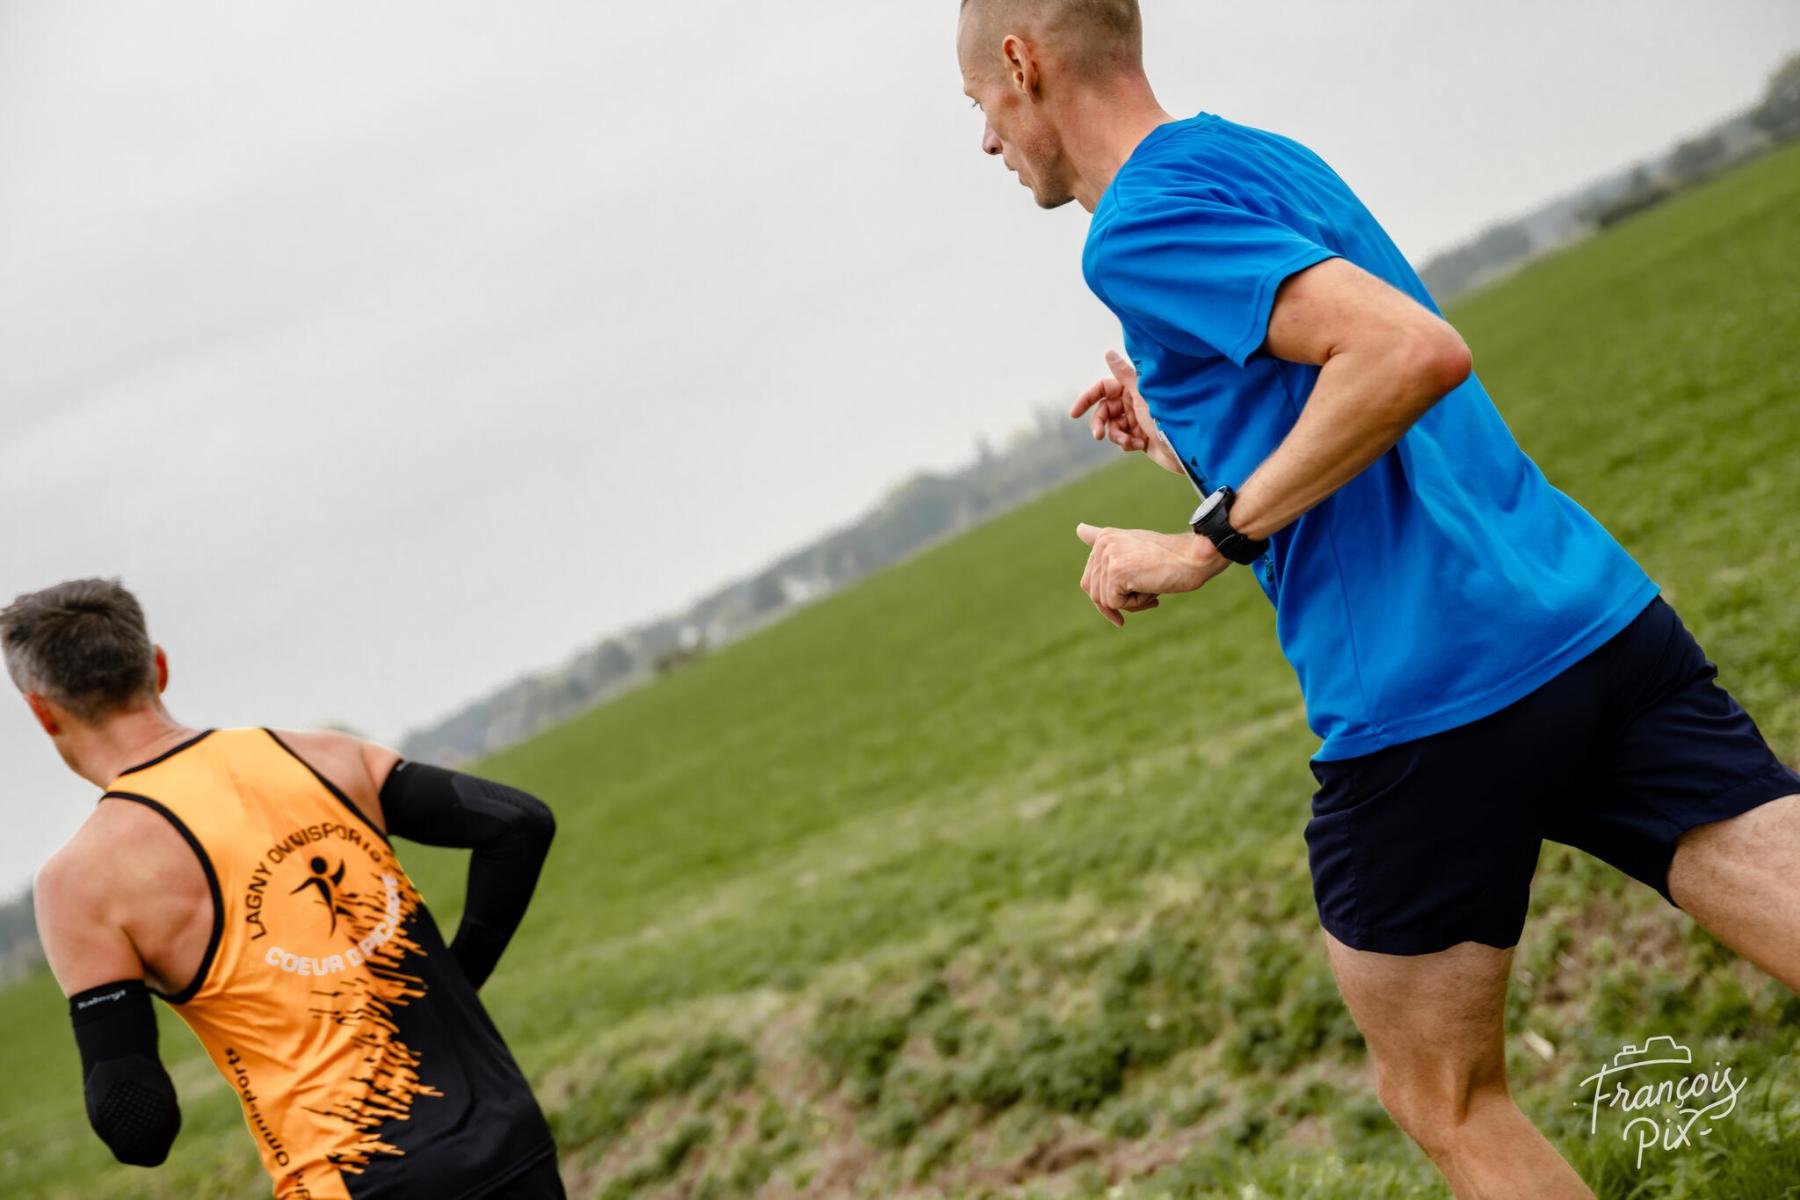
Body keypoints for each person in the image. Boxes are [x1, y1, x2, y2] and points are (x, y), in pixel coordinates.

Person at [955, 2, 1800, 1196]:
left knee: (1441, 1094)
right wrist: (1181, 432)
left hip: (1426, 698)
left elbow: (1409, 353)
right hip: (1587, 621)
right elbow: (1339, 399)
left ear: (1022, 63)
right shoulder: (1258, 155)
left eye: (981, 107)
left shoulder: (1132, 228)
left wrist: (1205, 541)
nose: (988, 140)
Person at [6, 578, 565, 1199]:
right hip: (509, 1136)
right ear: (157, 667)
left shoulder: (81, 881)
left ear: (41, 711)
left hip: (356, 1178)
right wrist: (461, 978)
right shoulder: (321, 755)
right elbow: (517, 822)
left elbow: (140, 1129)